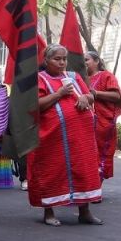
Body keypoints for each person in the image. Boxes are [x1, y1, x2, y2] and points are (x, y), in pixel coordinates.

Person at [28, 44, 103, 226]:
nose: (62, 63)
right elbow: (36, 105)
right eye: (57, 59)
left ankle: (84, 212)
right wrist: (60, 94)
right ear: (46, 61)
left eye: (64, 59)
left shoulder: (74, 76)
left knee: (82, 170)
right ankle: (49, 213)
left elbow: (90, 96)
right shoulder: (39, 79)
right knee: (52, 172)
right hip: (52, 139)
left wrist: (86, 98)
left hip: (80, 137)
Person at [85, 51, 121, 181]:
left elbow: (116, 96)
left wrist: (96, 93)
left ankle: (97, 186)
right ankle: (88, 187)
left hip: (102, 123)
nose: (83, 63)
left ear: (97, 61)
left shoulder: (106, 76)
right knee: (86, 154)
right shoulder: (80, 78)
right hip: (84, 123)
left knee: (100, 153)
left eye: (86, 60)